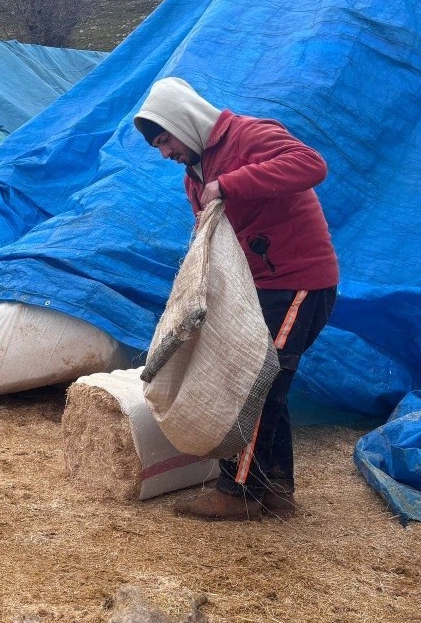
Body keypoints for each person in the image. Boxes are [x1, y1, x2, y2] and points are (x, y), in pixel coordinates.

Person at [133, 77, 338, 521]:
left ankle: (238, 492)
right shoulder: (194, 175)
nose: (165, 153)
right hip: (256, 288)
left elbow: (311, 164)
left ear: (182, 122)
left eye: (165, 140)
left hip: (297, 282)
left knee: (255, 384)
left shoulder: (248, 135)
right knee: (267, 385)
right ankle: (276, 490)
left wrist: (229, 184)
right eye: (158, 147)